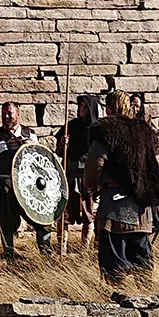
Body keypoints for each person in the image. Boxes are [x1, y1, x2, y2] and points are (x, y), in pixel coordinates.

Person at [84, 90, 159, 284]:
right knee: (142, 264)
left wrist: (91, 184)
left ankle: (118, 295)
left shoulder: (107, 130)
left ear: (108, 109)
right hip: (142, 207)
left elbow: (96, 160)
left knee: (114, 265)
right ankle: (144, 295)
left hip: (115, 207)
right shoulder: (144, 130)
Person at [0, 100, 51, 259]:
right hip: (7, 187)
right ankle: (9, 254)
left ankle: (46, 253)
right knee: (6, 222)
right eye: (4, 114)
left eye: (9, 113)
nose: (6, 116)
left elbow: (39, 161)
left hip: (30, 187)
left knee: (41, 219)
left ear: (18, 114)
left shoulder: (31, 134)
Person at [56, 94, 98, 253]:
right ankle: (62, 250)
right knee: (64, 214)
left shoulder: (96, 130)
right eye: (80, 106)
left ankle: (84, 251)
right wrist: (63, 144)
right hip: (69, 176)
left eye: (85, 106)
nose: (82, 109)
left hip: (87, 178)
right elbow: (59, 152)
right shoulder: (71, 126)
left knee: (87, 213)